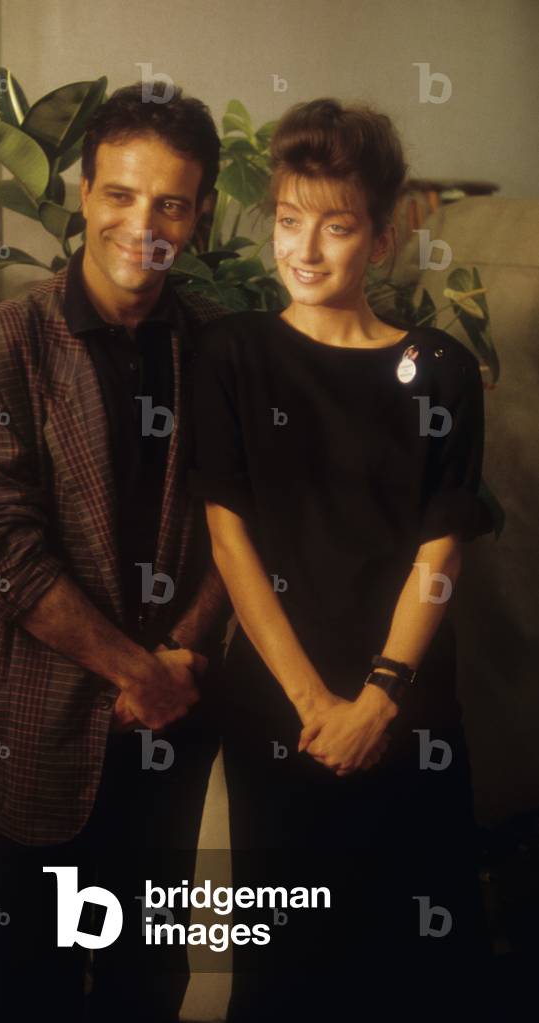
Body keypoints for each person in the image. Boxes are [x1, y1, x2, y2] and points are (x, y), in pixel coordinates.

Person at [0, 82, 230, 1022]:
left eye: (170, 202)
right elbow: (0, 552)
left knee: (149, 975)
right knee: (32, 980)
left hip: (172, 714)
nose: (143, 222)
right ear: (82, 196)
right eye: (120, 194)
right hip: (41, 717)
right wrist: (137, 669)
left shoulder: (220, 351)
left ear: (201, 213)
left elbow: (240, 521)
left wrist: (181, 653)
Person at [189, 98, 496, 1017]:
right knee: (291, 962)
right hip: (281, 709)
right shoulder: (230, 353)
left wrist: (380, 695)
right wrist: (316, 704)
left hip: (407, 708)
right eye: (288, 221)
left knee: (417, 958)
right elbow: (227, 537)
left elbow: (440, 548)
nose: (305, 249)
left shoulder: (440, 367)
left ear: (383, 231)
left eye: (335, 224)